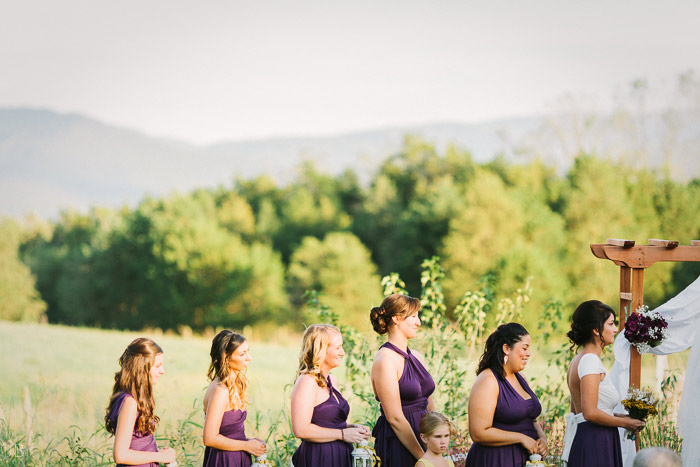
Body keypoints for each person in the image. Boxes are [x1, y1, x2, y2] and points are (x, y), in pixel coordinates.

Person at [562, 300, 644, 467]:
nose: (615, 329)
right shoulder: (590, 361)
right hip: (595, 441)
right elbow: (589, 413)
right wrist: (626, 423)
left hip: (592, 436)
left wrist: (623, 416)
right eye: (611, 324)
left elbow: (577, 410)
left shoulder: (579, 360)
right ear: (596, 330)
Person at [465, 323, 547, 467]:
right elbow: (478, 432)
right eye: (524, 348)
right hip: (496, 459)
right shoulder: (488, 380)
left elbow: (532, 420)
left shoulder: (521, 379)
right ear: (506, 348)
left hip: (524, 459)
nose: (528, 353)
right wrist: (521, 438)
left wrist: (542, 437)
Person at [370, 294, 436, 466]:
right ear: (396, 318)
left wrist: (436, 444)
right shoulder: (385, 360)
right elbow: (395, 418)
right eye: (413, 317)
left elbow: (429, 403)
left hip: (424, 437)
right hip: (399, 443)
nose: (419, 322)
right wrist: (423, 457)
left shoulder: (417, 357)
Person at [291, 324, 370, 466]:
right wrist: (342, 435)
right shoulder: (307, 381)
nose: (343, 353)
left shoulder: (332, 380)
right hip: (319, 457)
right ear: (321, 350)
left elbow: (327, 423)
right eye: (338, 347)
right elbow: (300, 429)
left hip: (340, 455)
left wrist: (350, 428)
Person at [105, 337, 177, 467]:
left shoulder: (132, 398)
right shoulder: (129, 402)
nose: (163, 371)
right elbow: (120, 455)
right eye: (157, 366)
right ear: (142, 368)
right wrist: (160, 456)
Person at [202, 330, 266, 467]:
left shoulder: (231, 386)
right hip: (224, 459)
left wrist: (251, 444)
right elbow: (209, 438)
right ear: (226, 358)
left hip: (237, 455)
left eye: (247, 351)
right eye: (242, 354)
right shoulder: (221, 390)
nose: (249, 358)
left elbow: (229, 434)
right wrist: (246, 445)